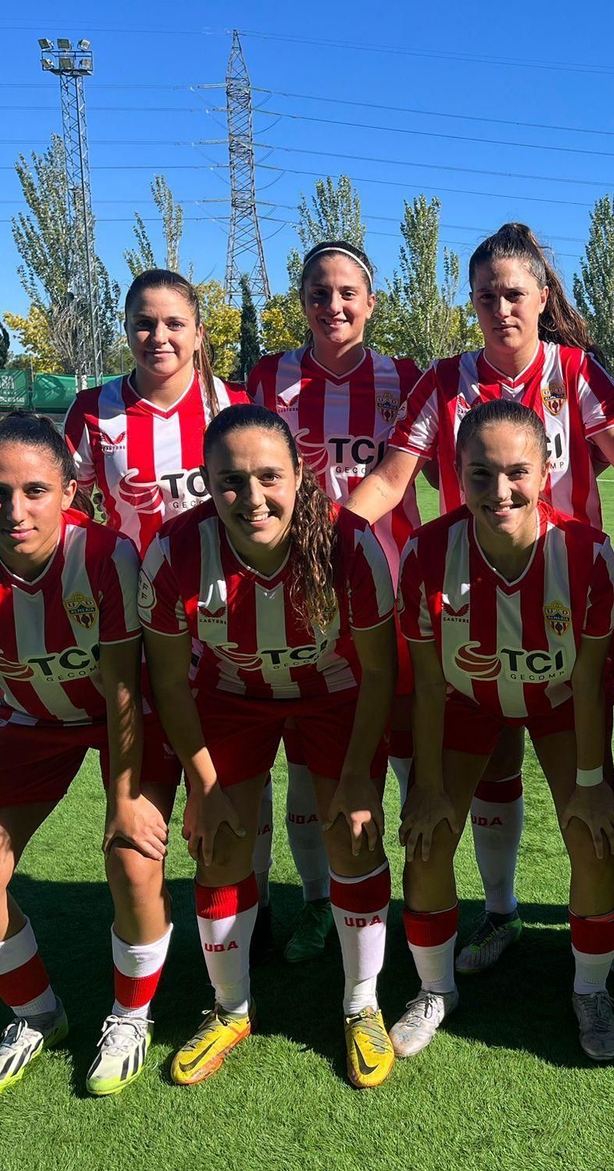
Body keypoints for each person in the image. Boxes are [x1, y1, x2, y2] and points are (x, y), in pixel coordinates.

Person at [348, 222, 614, 974]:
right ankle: (500, 916)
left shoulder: (576, 373)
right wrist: (328, 533)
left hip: (571, 611)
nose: (501, 307)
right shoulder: (444, 381)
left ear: (540, 299)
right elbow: (392, 479)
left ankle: (610, 936)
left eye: (514, 293)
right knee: (492, 770)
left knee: (592, 794)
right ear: (473, 303)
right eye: (487, 295)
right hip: (471, 602)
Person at [0, 413, 180, 1096]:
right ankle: (37, 1017)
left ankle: (131, 1016)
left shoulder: (106, 556)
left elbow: (124, 688)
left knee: (133, 856)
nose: (14, 510)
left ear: (69, 490)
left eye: (35, 490)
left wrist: (124, 801)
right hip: (30, 723)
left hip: (131, 721)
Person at [139, 405, 399, 1089]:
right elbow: (169, 678)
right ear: (204, 482)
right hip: (232, 698)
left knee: (355, 832)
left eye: (268, 478)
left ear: (299, 476)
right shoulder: (175, 551)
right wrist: (204, 783)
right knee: (221, 842)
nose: (251, 499)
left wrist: (358, 780)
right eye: (229, 482)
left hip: (336, 694)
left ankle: (361, 1004)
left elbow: (379, 670)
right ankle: (230, 1008)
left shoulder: (351, 543)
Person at [60, 270, 284, 970]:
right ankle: (149, 899)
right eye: (143, 323)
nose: (158, 336)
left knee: (239, 770)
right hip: (135, 621)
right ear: (126, 328)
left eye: (173, 323)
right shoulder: (93, 410)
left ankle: (258, 898)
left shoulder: (233, 405)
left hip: (226, 614)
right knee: (149, 766)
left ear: (198, 332)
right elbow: (66, 508)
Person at [388, 400, 614, 1061]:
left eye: (516, 471)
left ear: (546, 470)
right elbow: (430, 684)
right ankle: (435, 990)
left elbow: (589, 682)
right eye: (480, 473)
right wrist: (427, 786)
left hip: (559, 701)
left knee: (593, 835)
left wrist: (588, 785)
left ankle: (590, 990)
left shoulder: (586, 554)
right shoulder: (427, 553)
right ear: (455, 475)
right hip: (465, 701)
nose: (500, 491)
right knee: (428, 839)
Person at [246, 240, 423, 964]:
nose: (334, 305)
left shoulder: (405, 377)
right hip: (294, 594)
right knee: (306, 756)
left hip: (390, 589)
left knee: (410, 746)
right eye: (319, 293)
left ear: (371, 302)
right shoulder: (267, 378)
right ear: (303, 302)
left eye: (348, 292)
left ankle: (420, 895)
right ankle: (321, 902)